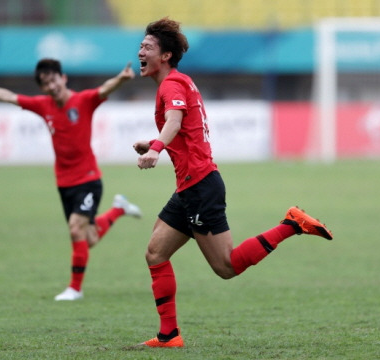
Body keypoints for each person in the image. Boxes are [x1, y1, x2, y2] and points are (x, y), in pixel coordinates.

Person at [133, 18, 333, 347]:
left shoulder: (171, 84)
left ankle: (291, 223)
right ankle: (169, 335)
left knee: (226, 267)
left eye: (147, 47)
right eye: (141, 46)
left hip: (200, 186)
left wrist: (156, 148)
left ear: (165, 56)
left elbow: (175, 119)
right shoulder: (178, 82)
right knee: (155, 252)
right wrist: (155, 143)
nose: (141, 51)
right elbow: (183, 129)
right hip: (189, 186)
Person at [0, 59, 142, 301]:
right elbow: (8, 96)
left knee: (76, 229)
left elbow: (104, 89)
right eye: (45, 84)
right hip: (64, 183)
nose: (51, 86)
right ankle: (118, 209)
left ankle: (75, 289)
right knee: (89, 238)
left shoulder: (83, 100)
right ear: (43, 88)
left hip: (88, 179)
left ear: (63, 78)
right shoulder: (43, 105)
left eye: (54, 80)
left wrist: (121, 78)